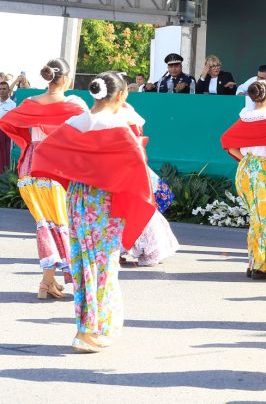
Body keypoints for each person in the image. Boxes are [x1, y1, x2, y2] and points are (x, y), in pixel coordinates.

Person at [31, 71, 157, 352]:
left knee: (83, 263)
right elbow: (137, 169)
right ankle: (93, 330)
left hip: (78, 199)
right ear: (122, 95)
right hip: (104, 202)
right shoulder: (119, 128)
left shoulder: (76, 122)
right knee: (102, 265)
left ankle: (86, 328)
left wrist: (73, 174)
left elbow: (46, 151)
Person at [0, 58, 86, 300]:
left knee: (45, 222)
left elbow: (8, 121)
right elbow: (87, 132)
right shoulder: (75, 103)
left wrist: (32, 136)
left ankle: (47, 281)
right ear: (67, 79)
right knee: (60, 222)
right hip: (56, 166)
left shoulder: (29, 103)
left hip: (30, 166)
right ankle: (56, 281)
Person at [221, 81, 266, 280]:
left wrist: (247, 160)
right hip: (265, 171)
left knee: (259, 218)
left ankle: (258, 263)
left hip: (247, 170)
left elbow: (228, 143)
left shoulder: (246, 118)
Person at [115, 88, 180, 268]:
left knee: (130, 206)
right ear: (120, 92)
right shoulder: (122, 112)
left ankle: (123, 249)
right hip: (126, 166)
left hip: (125, 166)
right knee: (133, 206)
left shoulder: (122, 110)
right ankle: (123, 249)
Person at [0, 81, 16, 173]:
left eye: (4, 89)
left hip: (7, 137)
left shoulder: (13, 105)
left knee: (5, 159)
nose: (1, 91)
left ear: (9, 90)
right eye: (0, 89)